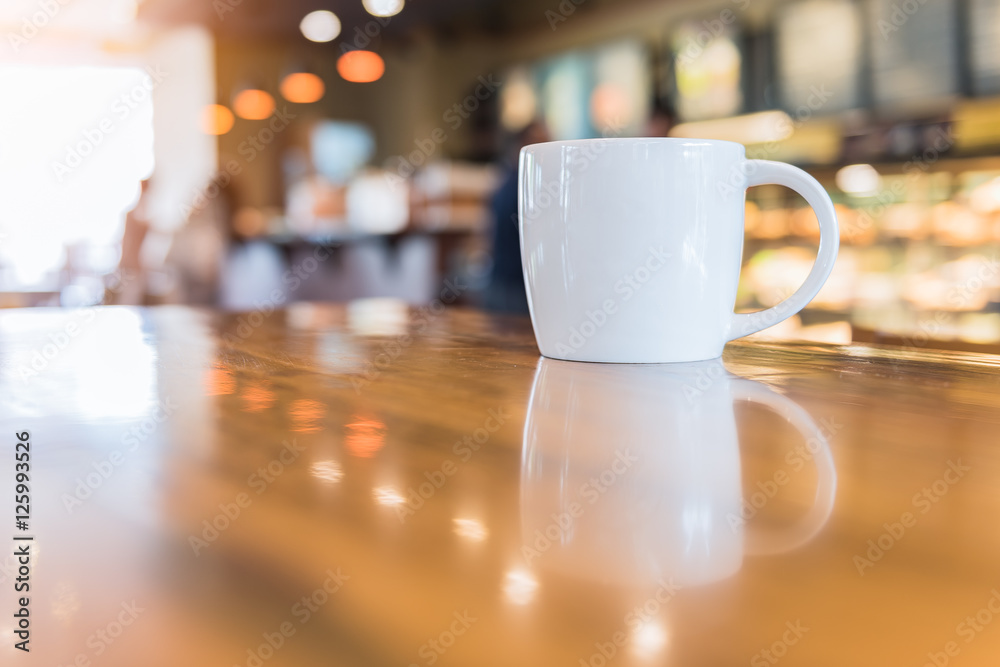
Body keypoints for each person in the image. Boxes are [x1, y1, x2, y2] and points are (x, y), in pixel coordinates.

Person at [484, 122, 549, 314]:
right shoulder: (526, 187)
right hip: (515, 287)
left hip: (501, 281)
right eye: (540, 141)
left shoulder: (503, 181)